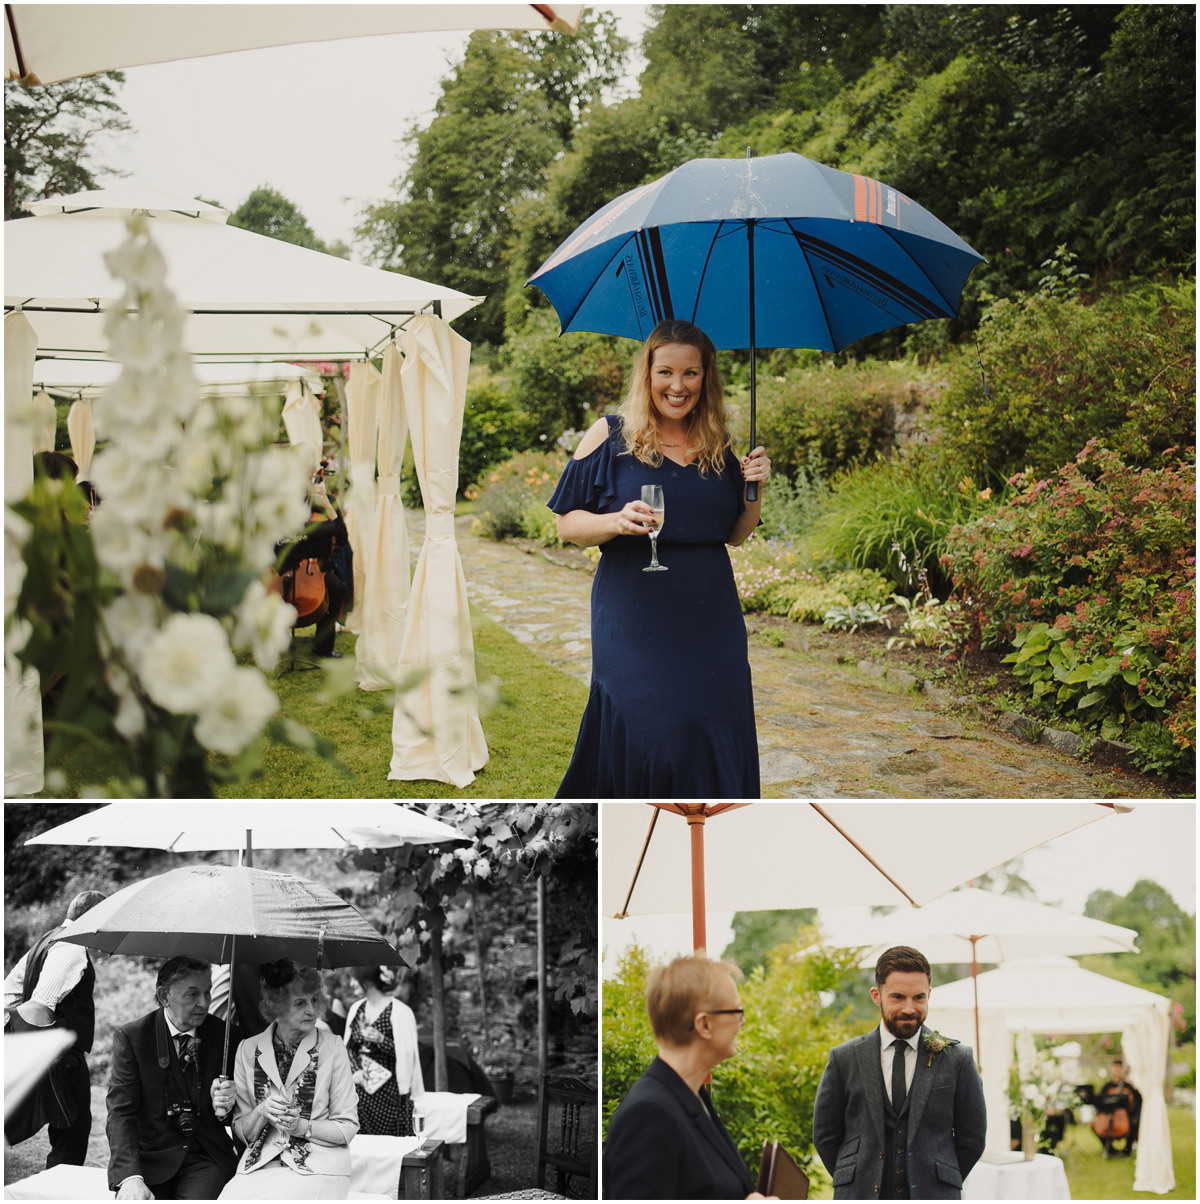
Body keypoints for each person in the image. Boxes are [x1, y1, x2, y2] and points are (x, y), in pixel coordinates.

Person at [548, 319, 770, 798]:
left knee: (707, 726)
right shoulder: (610, 435)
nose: (678, 385)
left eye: (691, 374)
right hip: (634, 612)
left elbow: (736, 535)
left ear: (706, 378)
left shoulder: (718, 445)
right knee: (653, 729)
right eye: (665, 371)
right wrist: (614, 521)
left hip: (711, 615)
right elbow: (567, 525)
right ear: (646, 374)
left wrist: (754, 489)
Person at [813, 946, 986, 1200]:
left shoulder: (957, 1059)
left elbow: (972, 1138)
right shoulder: (844, 1058)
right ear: (876, 995)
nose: (909, 1008)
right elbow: (825, 1135)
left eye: (918, 997)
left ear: (929, 994)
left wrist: (939, 1180)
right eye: (897, 997)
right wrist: (855, 1176)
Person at [603, 954, 771, 1200]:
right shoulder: (648, 1115)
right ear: (704, 1024)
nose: (742, 1022)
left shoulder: (692, 1099)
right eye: (737, 1011)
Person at [219, 959, 358, 1199]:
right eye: (300, 1003)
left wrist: (301, 1127)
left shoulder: (333, 1047)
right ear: (276, 1004)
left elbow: (347, 1127)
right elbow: (242, 1130)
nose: (312, 1011)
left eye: (315, 1000)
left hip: (319, 1166)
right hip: (258, 1166)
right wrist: (261, 1111)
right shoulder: (247, 1049)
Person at [106, 956, 239, 1199]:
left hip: (205, 1159)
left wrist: (227, 1104)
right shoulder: (133, 1037)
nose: (204, 1003)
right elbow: (121, 1114)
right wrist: (130, 1177)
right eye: (192, 994)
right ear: (164, 995)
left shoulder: (227, 1036)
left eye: (208, 992)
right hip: (149, 1159)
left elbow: (239, 1114)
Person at [3, 889, 107, 1165]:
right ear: (94, 917)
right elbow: (42, 1003)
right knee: (73, 1130)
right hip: (61, 1057)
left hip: (50, 1053)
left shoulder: (49, 938)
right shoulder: (72, 946)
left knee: (67, 1126)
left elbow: (9, 992)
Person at [344, 965, 424, 1136]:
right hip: (361, 1090)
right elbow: (349, 1048)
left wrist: (382, 1040)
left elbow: (407, 1056)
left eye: (354, 979)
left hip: (390, 1092)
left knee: (390, 1143)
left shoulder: (400, 1011)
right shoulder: (356, 1009)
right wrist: (355, 1072)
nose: (351, 984)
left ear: (367, 981)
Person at [1093, 1056, 1141, 1158]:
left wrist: (1134, 1088)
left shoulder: (1127, 1085)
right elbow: (1099, 1101)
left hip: (1125, 1114)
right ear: (1111, 1070)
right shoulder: (1107, 1086)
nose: (1116, 1072)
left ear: (1122, 1070)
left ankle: (1127, 1150)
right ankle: (1109, 1149)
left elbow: (1137, 1100)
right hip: (1108, 1113)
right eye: (1114, 1069)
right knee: (1094, 1124)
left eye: (1118, 1069)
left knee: (1133, 1123)